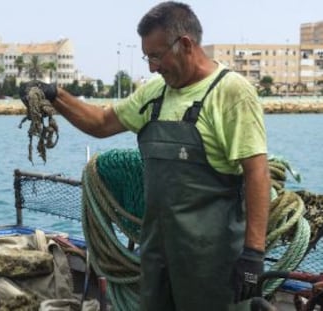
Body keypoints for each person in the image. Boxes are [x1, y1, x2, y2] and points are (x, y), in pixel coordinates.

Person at [20, 2, 270, 310]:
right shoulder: (155, 93)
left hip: (212, 261)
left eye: (156, 55)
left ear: (186, 45)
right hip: (158, 255)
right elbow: (100, 123)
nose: (152, 66)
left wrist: (253, 255)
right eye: (147, 57)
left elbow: (257, 172)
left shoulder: (232, 92)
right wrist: (54, 96)